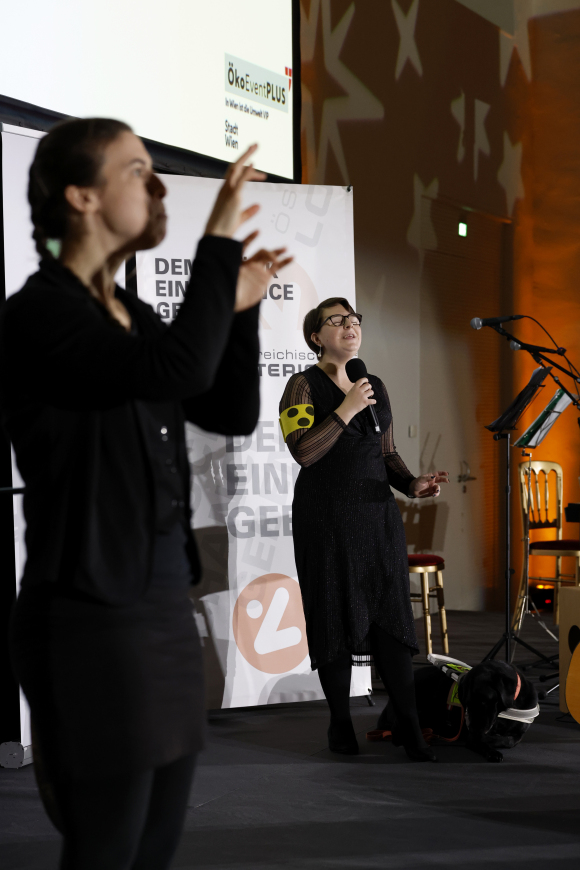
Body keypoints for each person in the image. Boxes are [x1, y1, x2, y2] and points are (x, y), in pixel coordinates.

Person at [0, 119, 290, 869]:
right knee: (108, 846)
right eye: (137, 169)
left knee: (155, 845)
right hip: (91, 611)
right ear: (80, 197)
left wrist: (245, 305)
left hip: (160, 604)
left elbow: (225, 409)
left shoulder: (134, 318)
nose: (159, 184)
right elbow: (177, 373)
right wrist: (218, 248)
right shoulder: (40, 314)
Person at [279, 297, 448, 761]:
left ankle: (410, 726)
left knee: (391, 618)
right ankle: (340, 723)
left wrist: (414, 483)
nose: (350, 326)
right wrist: (346, 410)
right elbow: (305, 452)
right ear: (316, 336)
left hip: (377, 518)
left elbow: (385, 454)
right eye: (338, 320)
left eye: (354, 320)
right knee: (332, 612)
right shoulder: (301, 386)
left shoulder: (373, 385)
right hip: (325, 518)